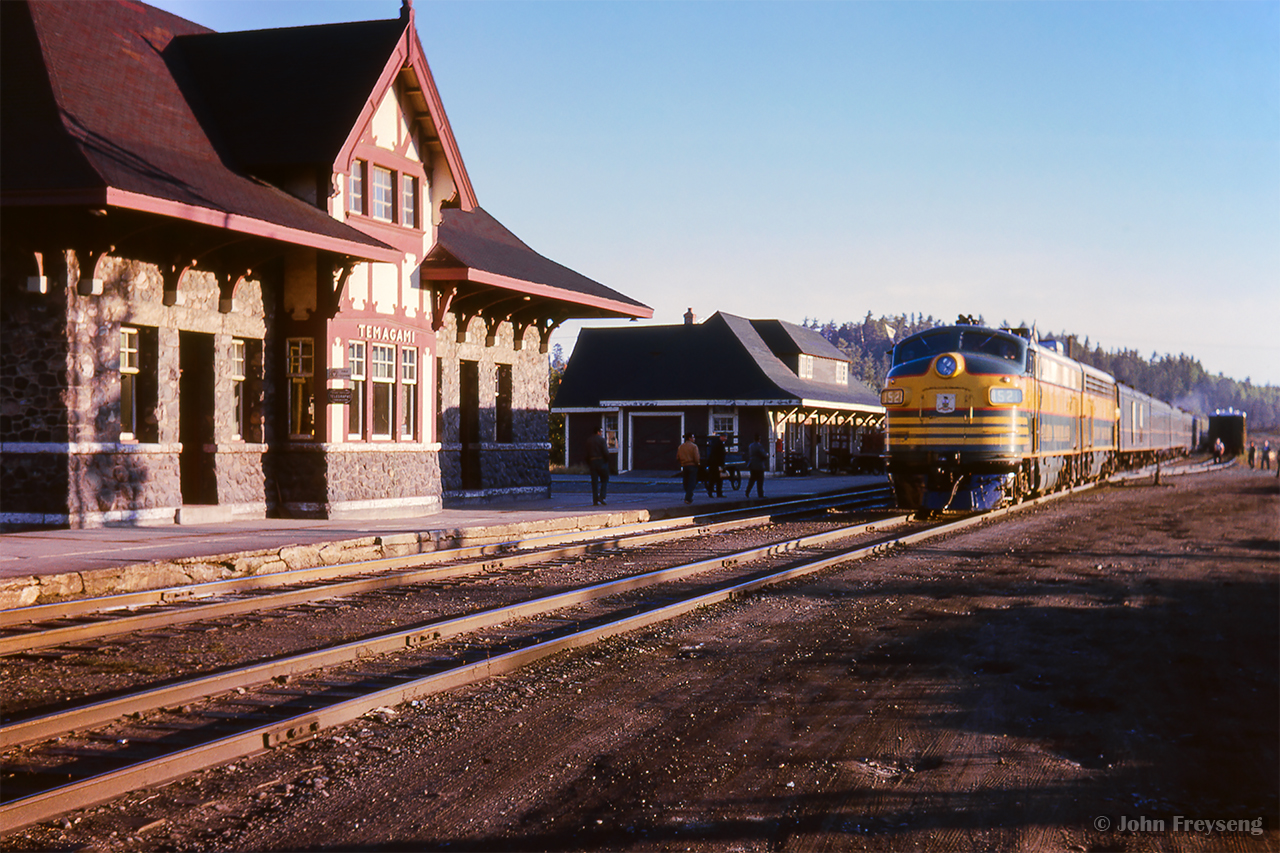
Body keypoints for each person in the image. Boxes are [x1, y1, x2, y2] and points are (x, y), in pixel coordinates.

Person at [585, 427, 610, 506]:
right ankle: (602, 496)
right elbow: (605, 451)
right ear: (598, 432)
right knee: (605, 479)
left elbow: (586, 454)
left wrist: (589, 462)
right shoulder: (602, 440)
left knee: (594, 482)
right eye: (601, 431)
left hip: (592, 461)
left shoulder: (589, 440)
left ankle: (595, 500)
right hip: (601, 461)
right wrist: (607, 460)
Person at [677, 433, 700, 504]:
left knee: (686, 481)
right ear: (690, 438)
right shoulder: (694, 447)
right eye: (693, 437)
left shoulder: (681, 447)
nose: (694, 439)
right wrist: (698, 463)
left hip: (684, 465)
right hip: (692, 465)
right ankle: (688, 497)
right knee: (692, 482)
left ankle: (688, 494)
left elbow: (677, 457)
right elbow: (696, 457)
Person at [704, 433, 726, 498]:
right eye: (725, 437)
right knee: (717, 479)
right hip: (716, 464)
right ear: (721, 437)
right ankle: (717, 493)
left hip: (713, 464)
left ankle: (712, 492)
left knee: (714, 479)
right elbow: (720, 455)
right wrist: (722, 464)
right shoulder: (720, 444)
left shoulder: (716, 443)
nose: (726, 438)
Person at [746, 433, 768, 498]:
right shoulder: (759, 446)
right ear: (759, 439)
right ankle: (760, 494)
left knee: (752, 479)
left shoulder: (751, 446)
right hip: (759, 465)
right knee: (760, 481)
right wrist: (766, 455)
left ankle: (747, 491)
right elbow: (763, 454)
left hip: (752, 464)